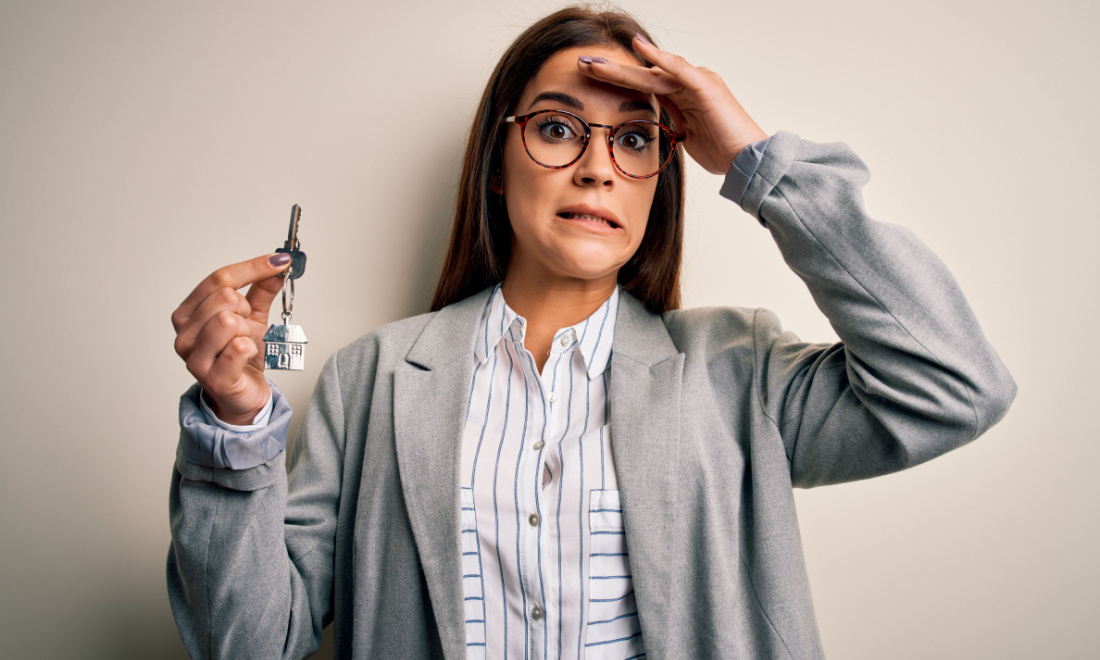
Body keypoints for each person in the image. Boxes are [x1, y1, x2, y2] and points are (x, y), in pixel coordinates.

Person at [167, 6, 1015, 659]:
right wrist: (235, 425)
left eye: (638, 138)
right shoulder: (374, 380)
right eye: (559, 127)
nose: (599, 165)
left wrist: (756, 162)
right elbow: (248, 643)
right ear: (498, 164)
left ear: (659, 179)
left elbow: (954, 384)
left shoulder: (738, 371)